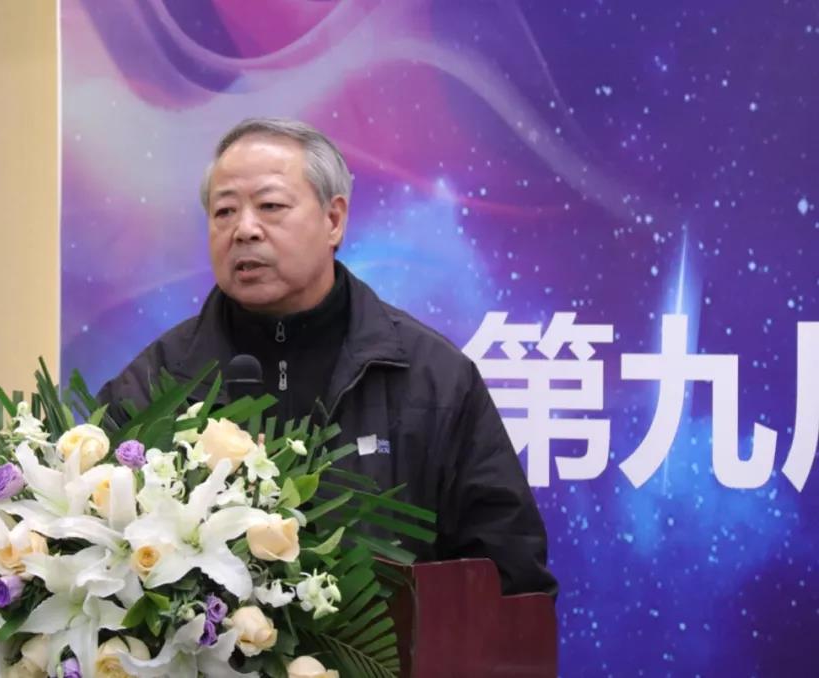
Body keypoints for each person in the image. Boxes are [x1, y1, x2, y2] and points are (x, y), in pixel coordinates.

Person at [97, 118, 557, 596]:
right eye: (224, 212)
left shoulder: (433, 378)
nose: (244, 230)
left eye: (270, 206)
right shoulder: (158, 382)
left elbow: (509, 577)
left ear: (333, 220)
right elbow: (97, 551)